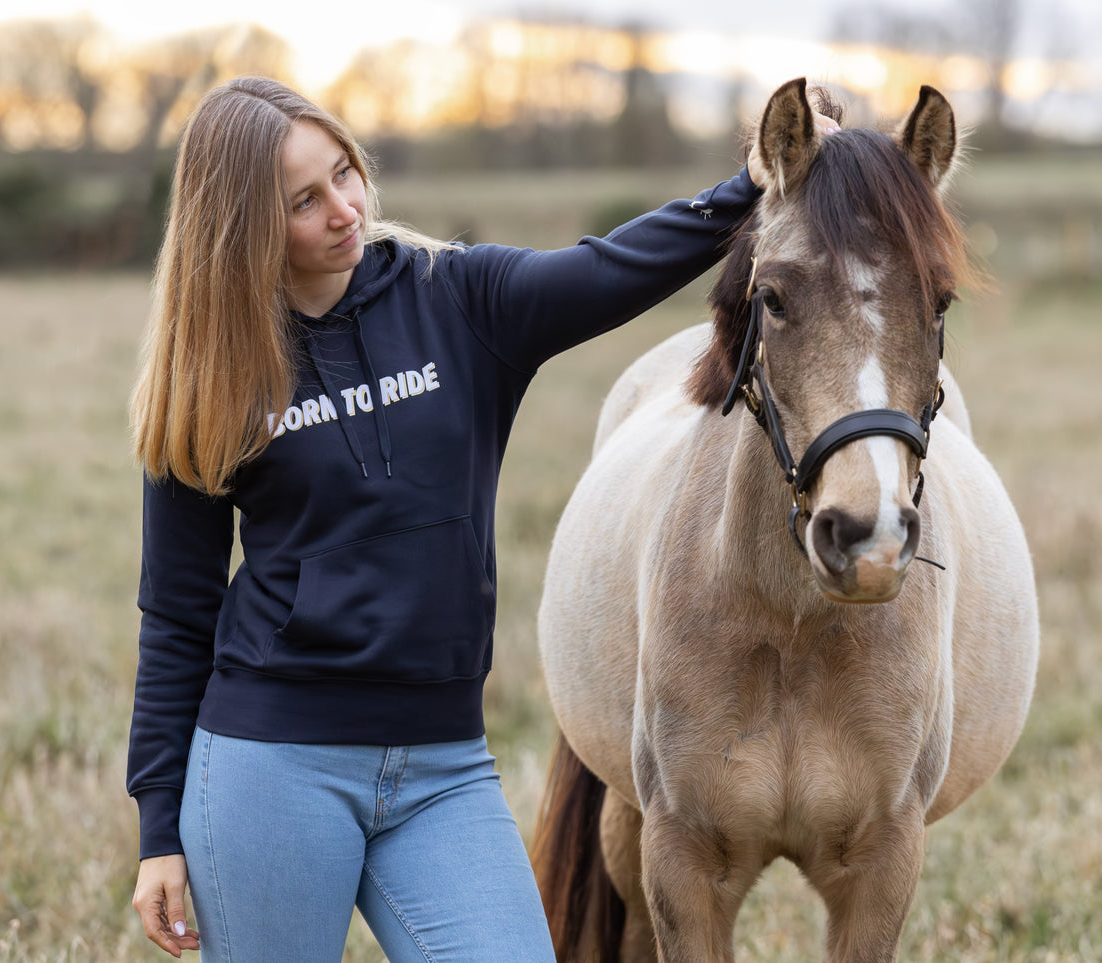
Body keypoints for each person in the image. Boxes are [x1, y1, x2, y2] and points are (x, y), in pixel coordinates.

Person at [125, 74, 836, 961]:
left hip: (440, 766)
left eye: (344, 171)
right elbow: (178, 613)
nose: (345, 208)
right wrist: (160, 824)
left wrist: (754, 181)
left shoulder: (456, 300)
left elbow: (614, 266)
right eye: (304, 201)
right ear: (242, 229)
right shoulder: (212, 377)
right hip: (272, 766)